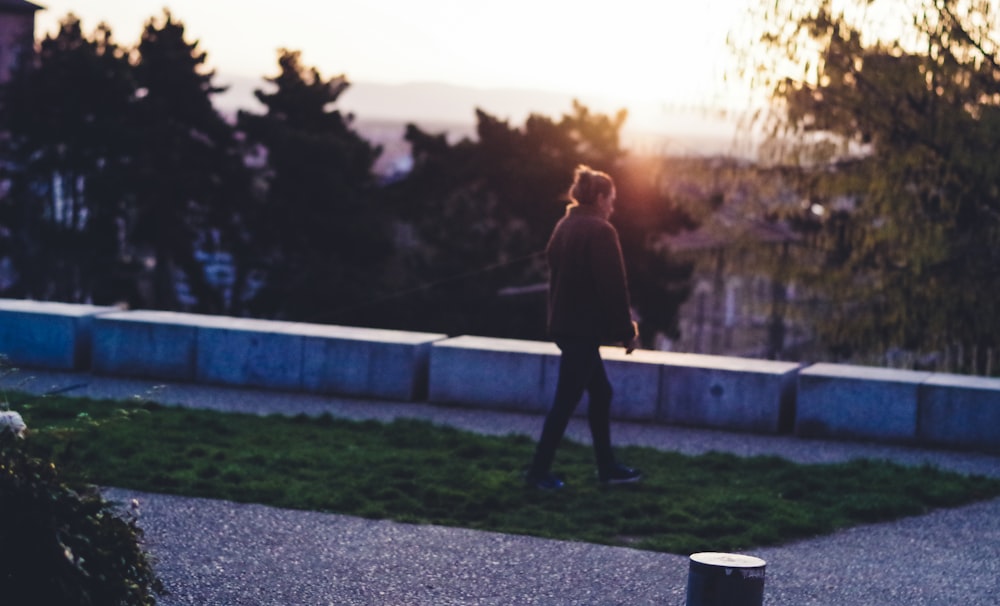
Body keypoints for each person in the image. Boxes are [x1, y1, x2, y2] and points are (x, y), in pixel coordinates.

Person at [525, 165, 642, 490]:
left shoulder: (566, 225)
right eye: (612, 199)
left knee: (600, 393)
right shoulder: (601, 231)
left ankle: (607, 468)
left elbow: (557, 268)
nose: (613, 207)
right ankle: (538, 474)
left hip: (565, 326)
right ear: (601, 197)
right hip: (582, 330)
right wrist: (626, 331)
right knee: (565, 402)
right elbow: (613, 287)